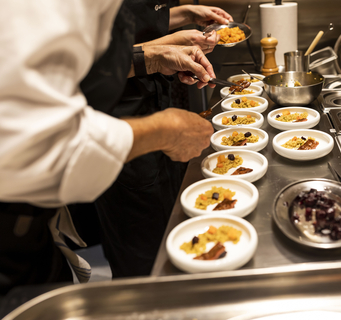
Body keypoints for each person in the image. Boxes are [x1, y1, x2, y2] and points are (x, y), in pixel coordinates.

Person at [0, 0, 216, 294]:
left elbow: (80, 67)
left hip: (34, 222)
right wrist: (162, 131)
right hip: (11, 227)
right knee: (141, 268)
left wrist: (152, 56)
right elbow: (33, 141)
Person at [86, 1, 234, 279]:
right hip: (119, 122)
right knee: (143, 254)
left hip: (159, 99)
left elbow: (136, 20)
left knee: (178, 227)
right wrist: (155, 54)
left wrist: (183, 16)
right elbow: (83, 69)